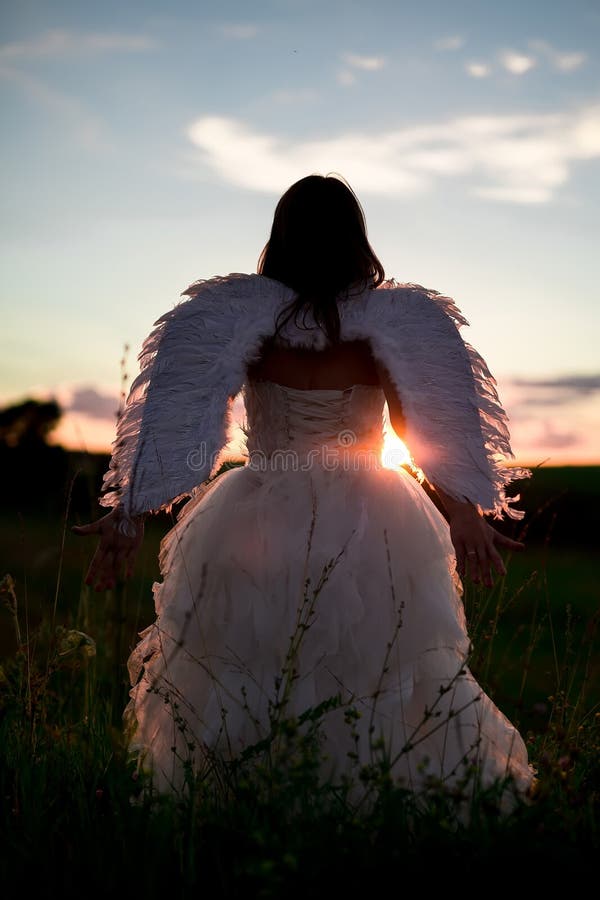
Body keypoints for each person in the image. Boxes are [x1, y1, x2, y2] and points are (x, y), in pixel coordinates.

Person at [73, 173, 535, 805]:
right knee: (376, 668)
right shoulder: (388, 329)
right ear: (357, 238)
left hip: (257, 514)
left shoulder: (243, 324)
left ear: (279, 236)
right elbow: (423, 428)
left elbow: (185, 425)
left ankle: (254, 801)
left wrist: (129, 512)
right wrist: (460, 512)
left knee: (248, 669)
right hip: (373, 520)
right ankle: (367, 803)